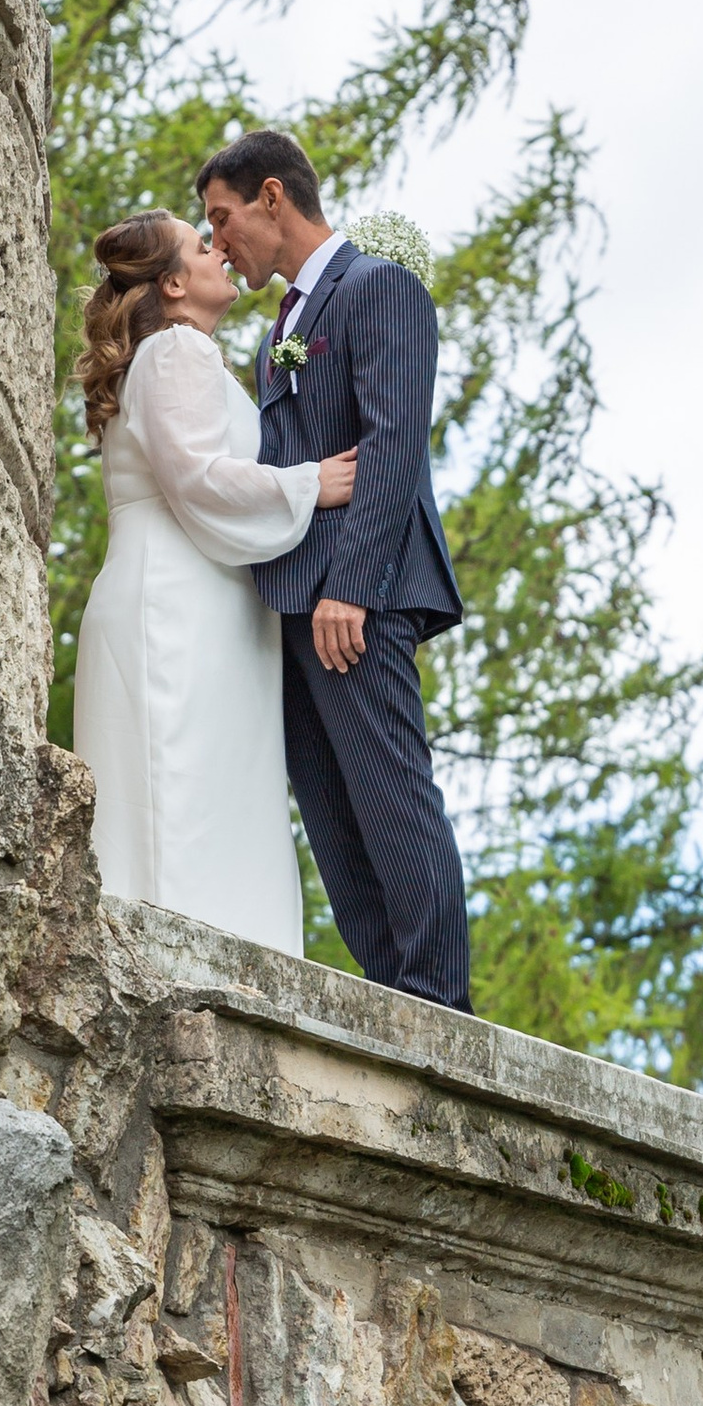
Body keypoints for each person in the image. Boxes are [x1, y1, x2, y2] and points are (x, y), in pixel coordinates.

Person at [197, 129, 472, 1012]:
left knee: (391, 795)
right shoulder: (279, 327)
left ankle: (440, 1006)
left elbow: (394, 446)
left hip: (361, 598)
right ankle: (391, 996)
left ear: (273, 196)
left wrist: (348, 586)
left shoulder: (380, 288)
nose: (219, 242)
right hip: (292, 609)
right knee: (332, 816)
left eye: (223, 217)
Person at [71, 210, 358, 955]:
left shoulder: (178, 354)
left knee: (212, 797)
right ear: (172, 284)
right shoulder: (175, 351)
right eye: (203, 246)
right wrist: (310, 485)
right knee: (179, 797)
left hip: (205, 601)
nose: (219, 251)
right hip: (174, 605)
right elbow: (198, 478)